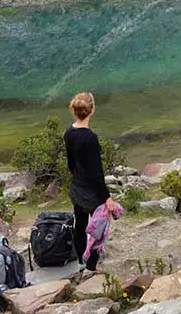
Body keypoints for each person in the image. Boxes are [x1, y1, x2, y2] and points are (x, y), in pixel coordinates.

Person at [64, 92, 116, 277]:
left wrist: (77, 178)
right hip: (91, 191)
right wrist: (107, 198)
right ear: (91, 110)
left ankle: (80, 260)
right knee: (98, 227)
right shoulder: (90, 138)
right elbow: (96, 174)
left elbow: (71, 164)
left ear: (74, 110)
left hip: (76, 186)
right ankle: (91, 267)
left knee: (80, 223)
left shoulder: (69, 133)